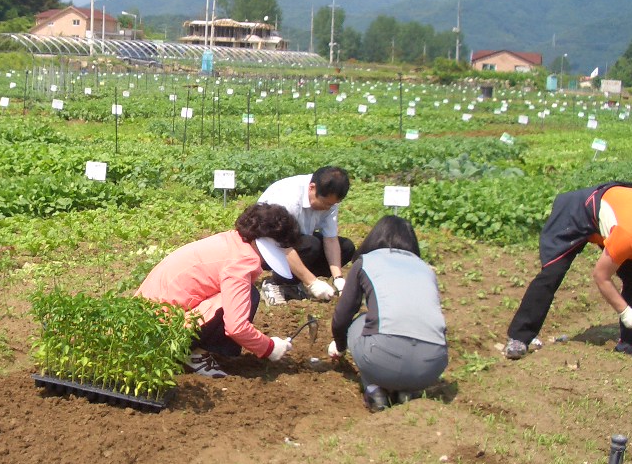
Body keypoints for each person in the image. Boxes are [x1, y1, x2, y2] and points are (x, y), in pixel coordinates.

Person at [504, 183, 632, 360]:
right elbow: (601, 276)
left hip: (619, 220)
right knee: (552, 273)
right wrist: (625, 311)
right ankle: (519, 337)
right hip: (577, 212)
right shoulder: (630, 236)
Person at [138, 203, 302, 378]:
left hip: (147, 322)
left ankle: (193, 349)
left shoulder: (232, 241)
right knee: (249, 295)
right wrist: (269, 347)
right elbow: (236, 327)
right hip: (161, 333)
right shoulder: (242, 261)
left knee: (242, 295)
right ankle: (194, 355)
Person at [327, 216, 448, 411]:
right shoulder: (426, 269)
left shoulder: (366, 262)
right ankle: (407, 392)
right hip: (431, 366)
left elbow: (342, 318)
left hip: (382, 359)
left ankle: (375, 390)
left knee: (360, 322)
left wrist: (340, 347)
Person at [257, 166, 356, 305]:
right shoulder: (288, 198)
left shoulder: (328, 198)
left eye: (332, 205)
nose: (327, 208)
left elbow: (330, 239)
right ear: (312, 188)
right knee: (311, 245)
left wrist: (338, 278)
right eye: (325, 203)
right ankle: (275, 283)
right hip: (267, 246)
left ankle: (293, 282)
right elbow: (283, 246)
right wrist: (312, 282)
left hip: (298, 239)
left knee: (346, 247)